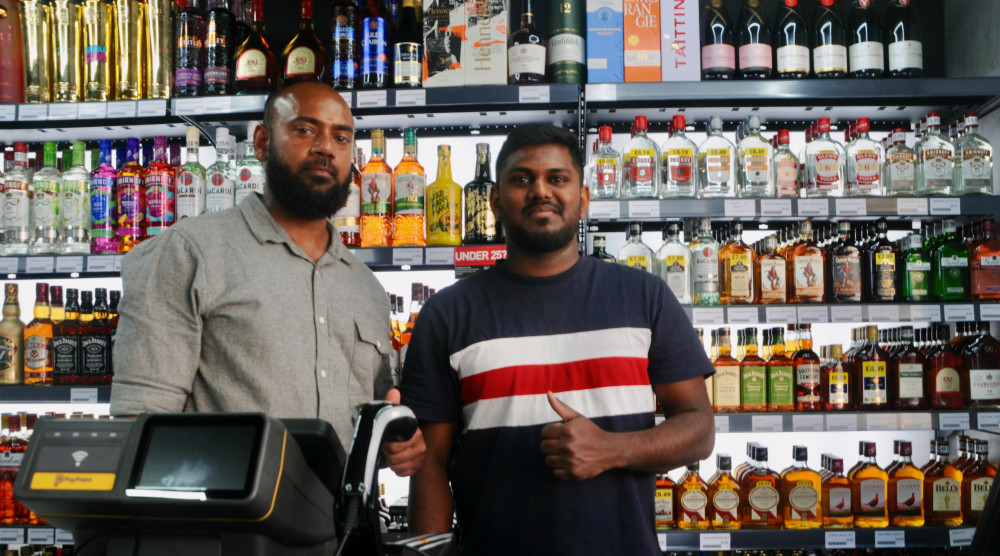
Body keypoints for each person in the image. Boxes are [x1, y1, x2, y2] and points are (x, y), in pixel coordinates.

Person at [400, 124, 716, 555]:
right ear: (494, 201)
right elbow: (430, 465)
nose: (540, 191)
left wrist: (612, 449)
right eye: (521, 179)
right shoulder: (448, 314)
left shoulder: (643, 296)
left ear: (582, 199)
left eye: (558, 178)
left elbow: (699, 429)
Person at [109, 81, 425, 477]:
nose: (326, 147)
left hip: (341, 534)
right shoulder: (189, 252)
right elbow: (139, 427)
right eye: (305, 130)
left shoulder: (366, 288)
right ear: (261, 142)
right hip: (228, 530)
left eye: (341, 137)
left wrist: (396, 446)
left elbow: (370, 425)